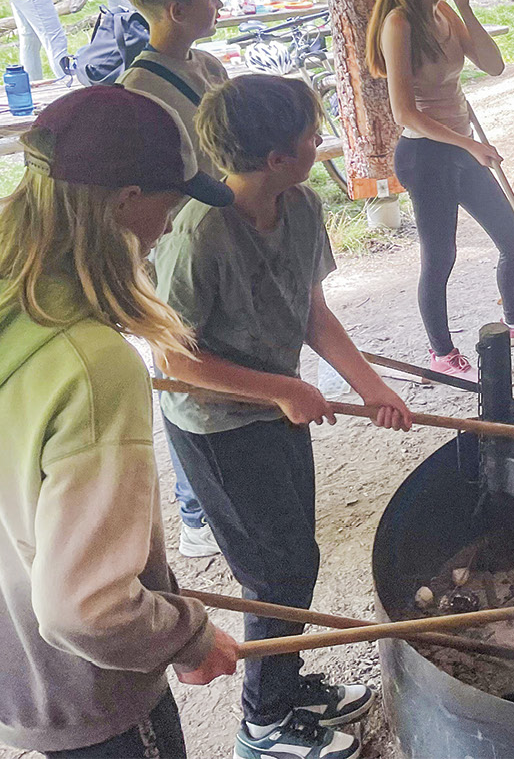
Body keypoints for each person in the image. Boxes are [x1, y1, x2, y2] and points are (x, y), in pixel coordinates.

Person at [0, 85, 239, 759]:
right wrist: (186, 632)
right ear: (125, 200)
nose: (169, 225)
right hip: (90, 696)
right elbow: (88, 607)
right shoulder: (91, 363)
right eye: (170, 202)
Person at [152, 75, 414, 759]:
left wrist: (373, 387)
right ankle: (262, 722)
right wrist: (278, 389)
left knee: (296, 557)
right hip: (215, 425)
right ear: (274, 156)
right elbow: (172, 360)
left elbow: (313, 316)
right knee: (274, 569)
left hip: (274, 407)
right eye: (308, 133)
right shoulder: (197, 234)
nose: (317, 140)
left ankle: (288, 682)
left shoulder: (300, 205)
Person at [368, 0, 514, 376]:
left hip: (460, 150)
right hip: (425, 156)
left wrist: (465, 6)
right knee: (442, 256)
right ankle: (441, 353)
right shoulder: (399, 24)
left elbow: (494, 66)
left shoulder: (444, 13)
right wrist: (468, 143)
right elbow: (404, 113)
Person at [117, 0, 230, 560]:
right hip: (176, 245)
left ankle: (215, 493)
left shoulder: (206, 64)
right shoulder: (141, 88)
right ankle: (195, 511)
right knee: (183, 369)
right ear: (175, 9)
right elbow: (173, 178)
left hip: (220, 239)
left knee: (219, 357)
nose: (218, 3)